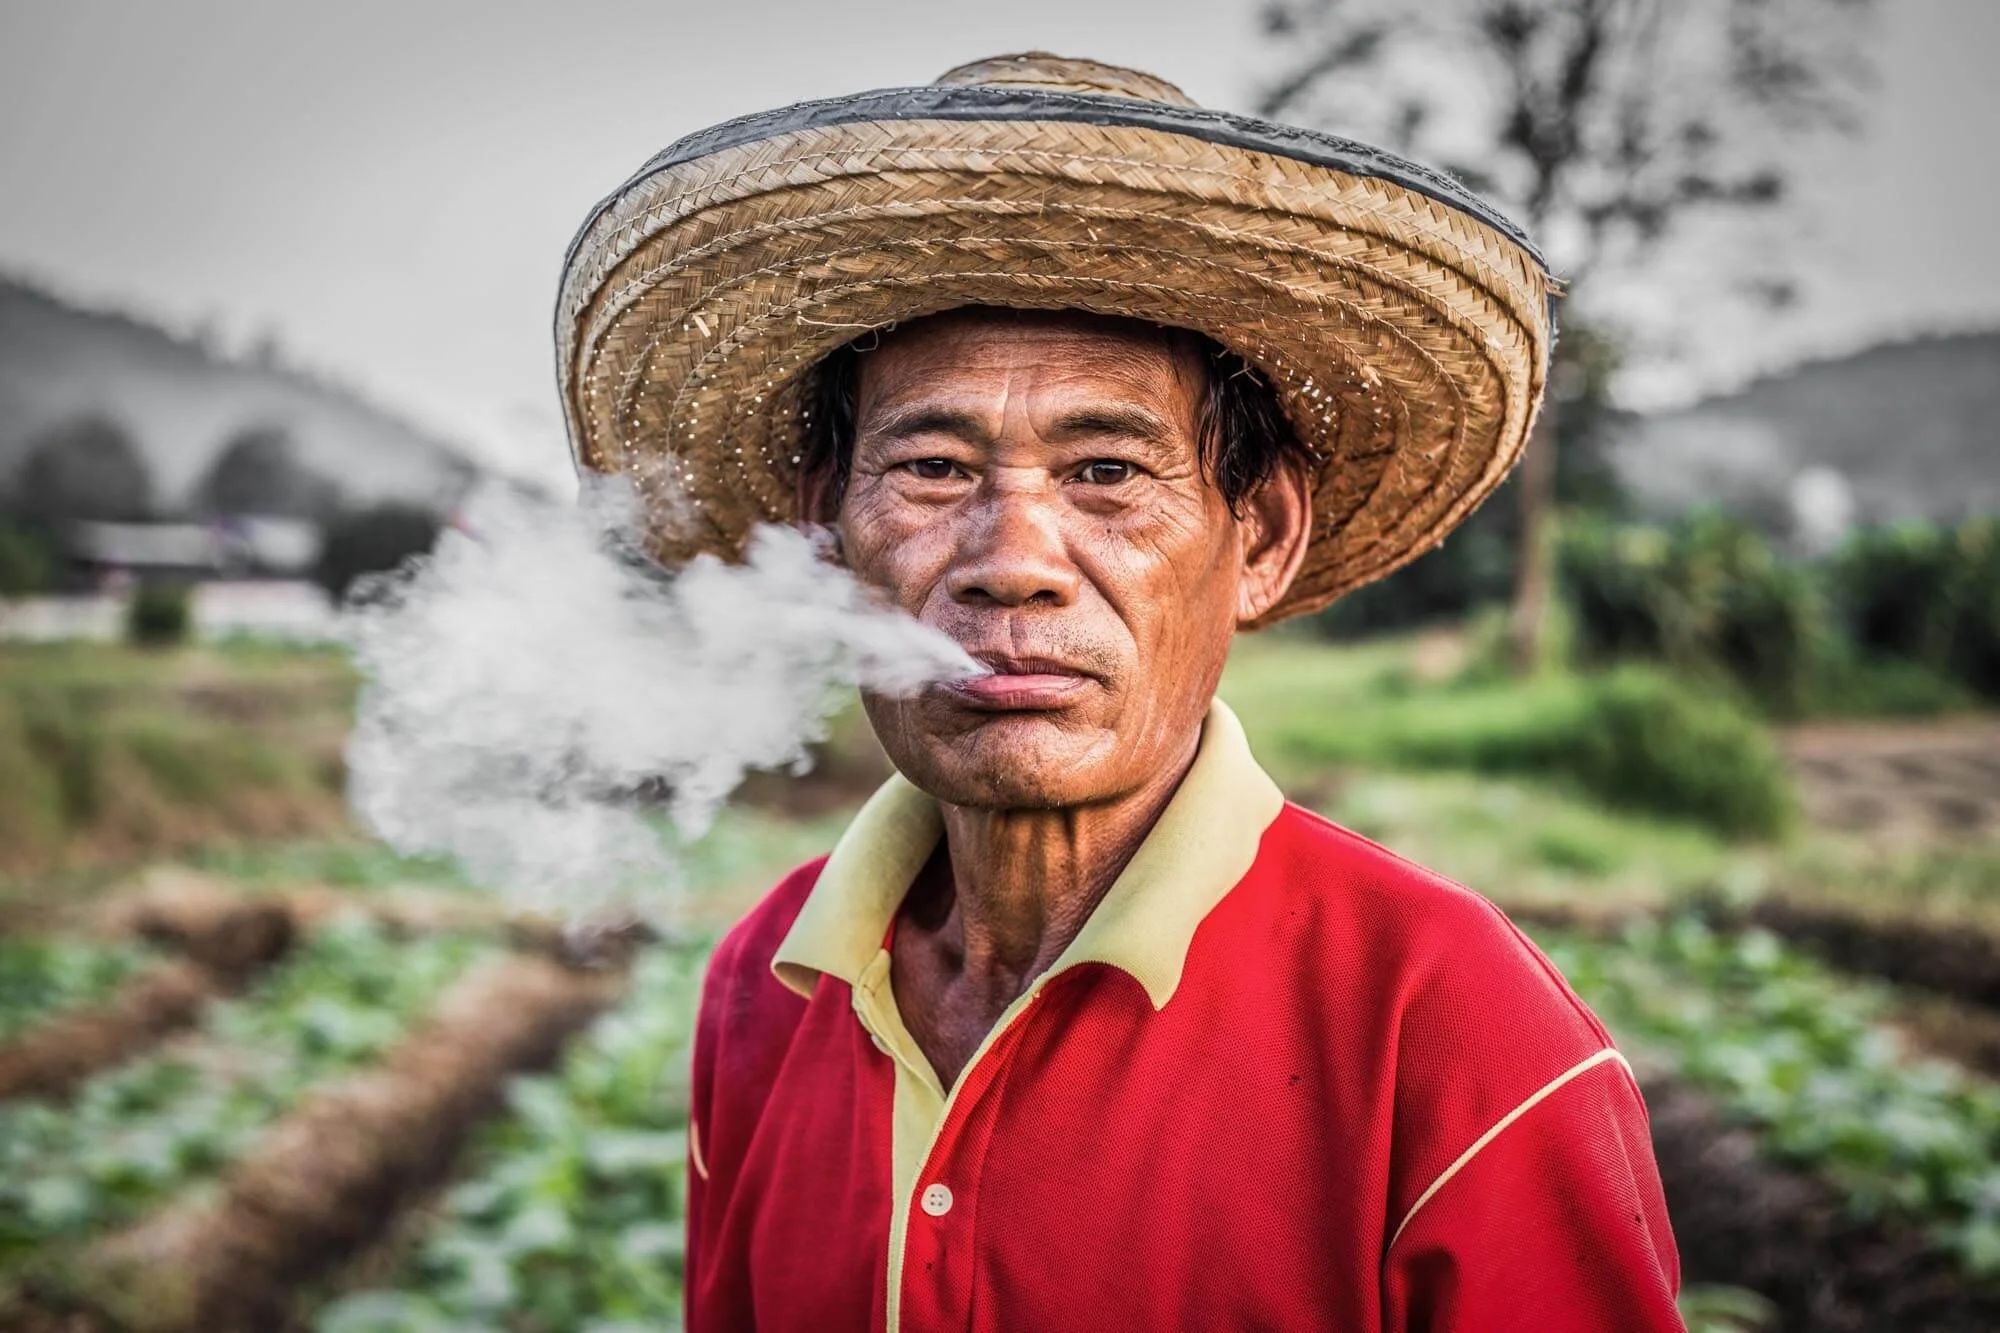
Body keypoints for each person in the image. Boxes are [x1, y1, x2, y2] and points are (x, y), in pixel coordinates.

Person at [555, 52, 1684, 1333]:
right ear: (824, 537)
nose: (1010, 565)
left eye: (1103, 469)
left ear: (1255, 540)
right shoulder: (765, 981)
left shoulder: (1452, 1027)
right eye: (929, 467)